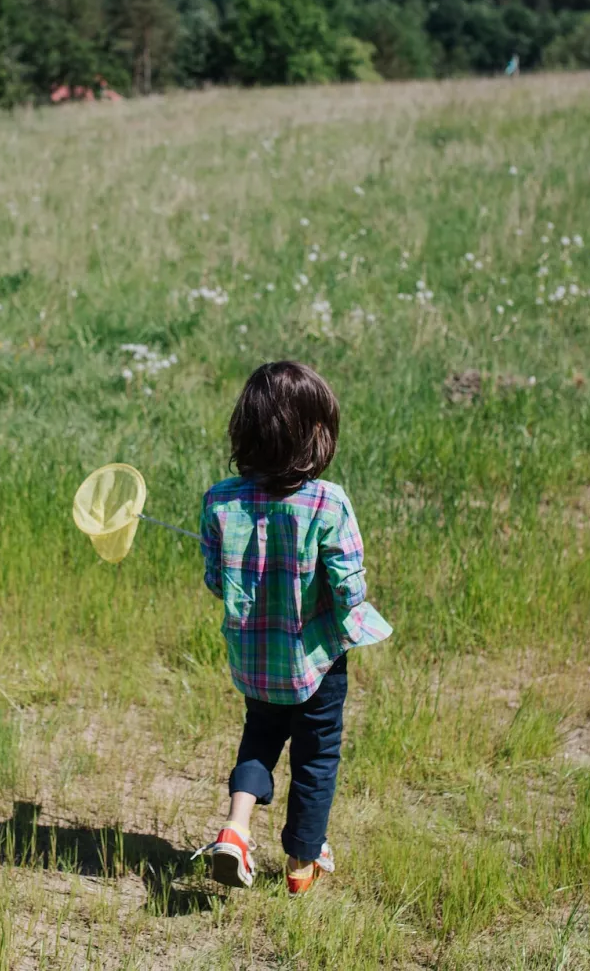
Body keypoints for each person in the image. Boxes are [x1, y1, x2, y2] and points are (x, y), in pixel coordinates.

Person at [194, 361, 392, 895]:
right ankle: (302, 863)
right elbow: (350, 592)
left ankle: (235, 831)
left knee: (258, 739)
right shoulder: (329, 503)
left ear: (246, 431)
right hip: (317, 660)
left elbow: (218, 582)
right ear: (315, 438)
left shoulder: (219, 500)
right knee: (316, 753)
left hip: (256, 662)